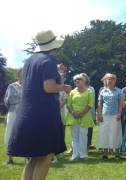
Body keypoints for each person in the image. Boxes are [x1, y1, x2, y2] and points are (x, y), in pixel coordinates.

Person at [7, 30, 72, 180]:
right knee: (46, 156)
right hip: (43, 114)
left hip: (27, 113)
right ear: (53, 45)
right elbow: (48, 87)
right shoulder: (49, 60)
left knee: (34, 158)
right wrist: (64, 87)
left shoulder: (29, 61)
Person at [65, 73, 94, 161]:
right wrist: (73, 112)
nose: (77, 81)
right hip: (73, 116)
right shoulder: (72, 92)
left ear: (84, 81)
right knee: (74, 136)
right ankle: (75, 155)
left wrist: (81, 113)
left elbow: (90, 104)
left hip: (85, 116)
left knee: (83, 135)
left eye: (79, 80)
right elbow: (69, 104)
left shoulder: (89, 91)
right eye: (75, 80)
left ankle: (83, 155)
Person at [96, 73, 123, 160]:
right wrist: (99, 114)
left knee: (116, 133)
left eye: (112, 79)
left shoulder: (119, 91)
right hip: (104, 115)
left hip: (115, 115)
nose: (110, 80)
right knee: (104, 133)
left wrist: (119, 113)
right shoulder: (103, 91)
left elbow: (120, 104)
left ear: (115, 81)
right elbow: (100, 104)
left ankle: (117, 153)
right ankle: (104, 153)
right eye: (108, 79)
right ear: (105, 81)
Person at [3, 69, 22, 165]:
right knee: (10, 133)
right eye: (21, 74)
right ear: (17, 75)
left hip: (25, 113)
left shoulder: (29, 86)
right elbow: (6, 100)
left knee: (25, 133)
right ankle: (10, 157)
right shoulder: (11, 86)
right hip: (13, 111)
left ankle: (28, 156)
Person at [87, 85, 96, 150]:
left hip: (90, 112)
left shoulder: (91, 88)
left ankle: (88, 144)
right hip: (81, 111)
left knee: (89, 129)